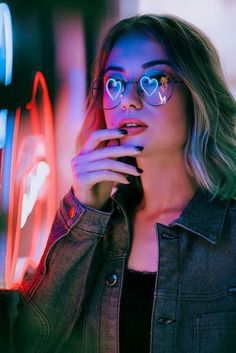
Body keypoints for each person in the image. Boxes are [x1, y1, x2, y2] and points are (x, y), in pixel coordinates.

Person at [14, 14, 236, 353]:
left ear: (196, 93)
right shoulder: (93, 222)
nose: (129, 100)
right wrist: (83, 209)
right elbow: (30, 342)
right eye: (114, 83)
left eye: (154, 80)